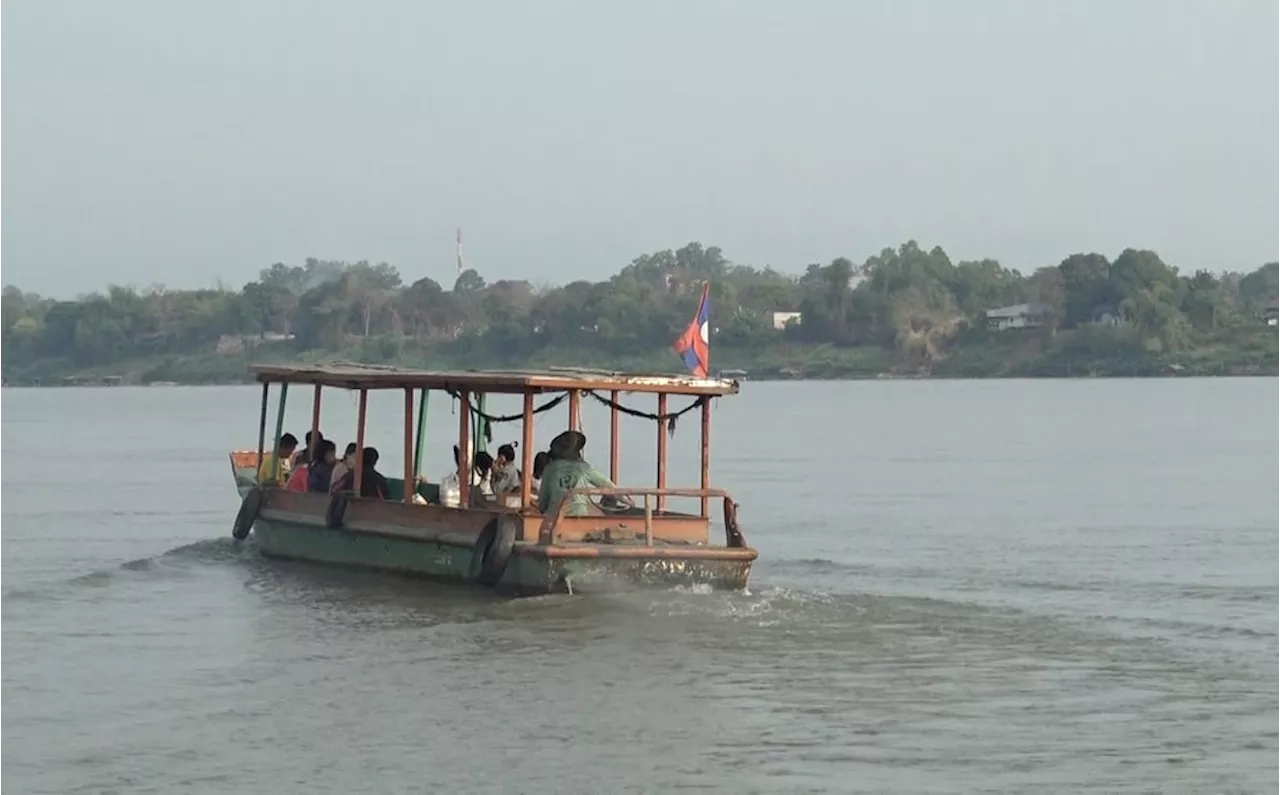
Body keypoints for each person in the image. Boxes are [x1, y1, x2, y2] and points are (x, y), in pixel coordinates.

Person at [536, 431, 618, 516]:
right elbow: (610, 487)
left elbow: (543, 502)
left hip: (555, 517)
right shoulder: (584, 467)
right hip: (579, 515)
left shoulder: (550, 469)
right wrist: (627, 500)